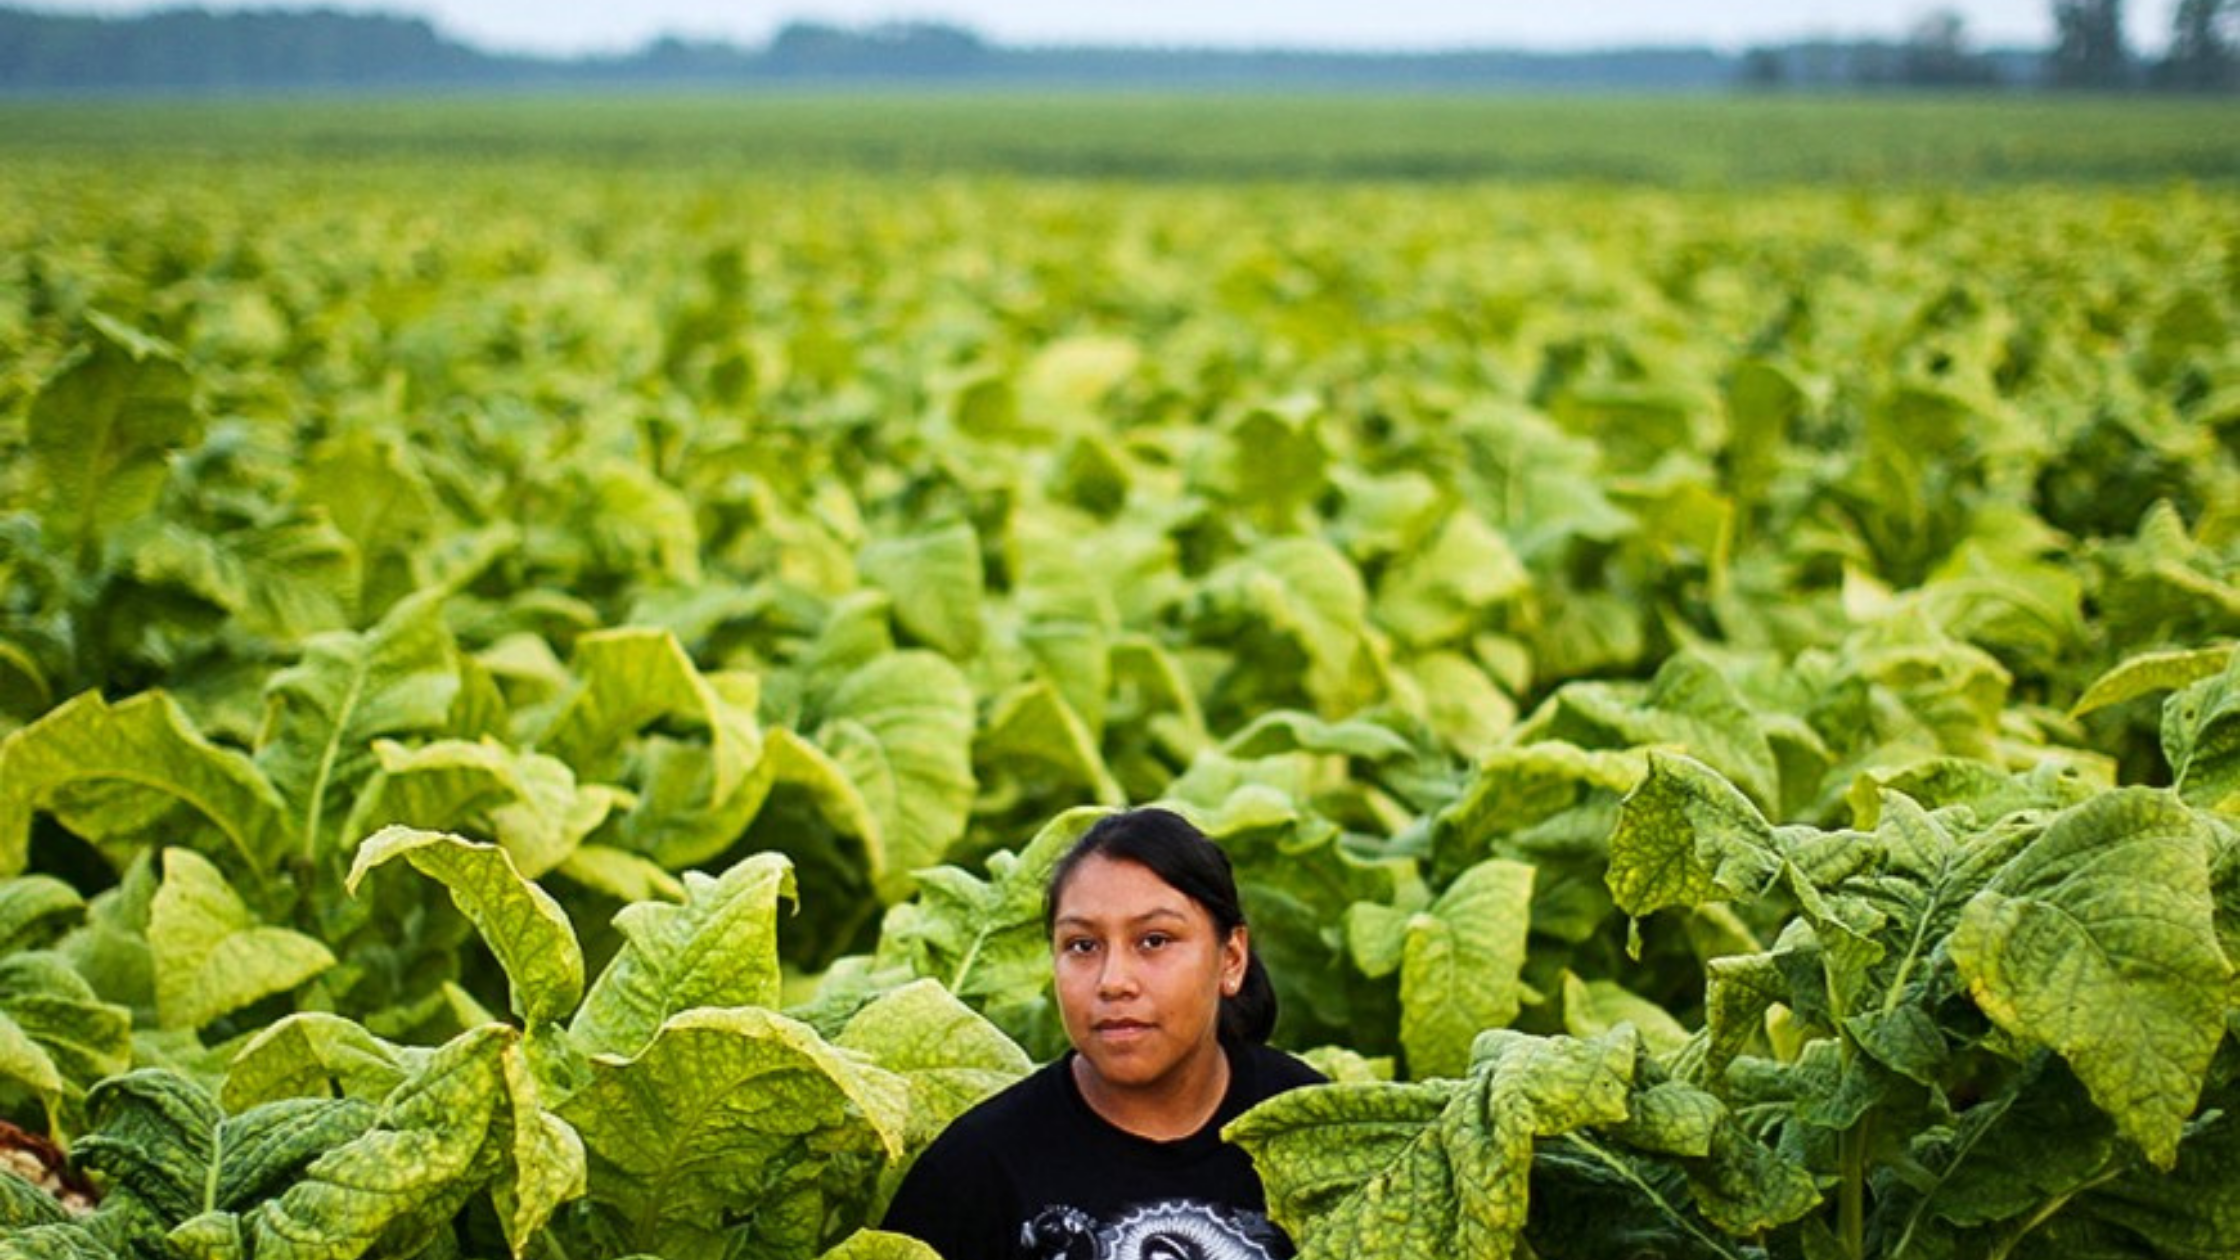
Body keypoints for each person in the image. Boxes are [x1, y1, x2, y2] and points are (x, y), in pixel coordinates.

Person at [881, 806, 1325, 1260]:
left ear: (1231, 959)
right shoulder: (977, 1168)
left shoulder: (1312, 1128)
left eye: (1154, 940)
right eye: (1082, 946)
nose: (1114, 981)